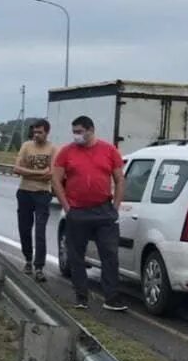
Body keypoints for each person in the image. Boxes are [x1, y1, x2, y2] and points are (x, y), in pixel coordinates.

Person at [52, 115, 127, 312]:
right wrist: (67, 207)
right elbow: (56, 179)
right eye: (74, 132)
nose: (76, 136)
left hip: (103, 210)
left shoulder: (109, 150)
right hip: (78, 211)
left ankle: (111, 297)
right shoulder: (66, 152)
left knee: (110, 254)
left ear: (91, 130)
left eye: (79, 132)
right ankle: (81, 297)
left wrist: (115, 207)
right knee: (76, 256)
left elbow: (119, 179)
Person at [13, 119, 57, 280]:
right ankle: (28, 259)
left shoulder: (52, 149)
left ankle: (39, 266)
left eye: (40, 132)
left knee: (40, 231)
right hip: (24, 192)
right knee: (24, 228)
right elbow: (16, 169)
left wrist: (28, 172)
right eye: (35, 132)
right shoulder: (26, 146)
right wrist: (39, 173)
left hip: (42, 194)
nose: (36, 135)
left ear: (47, 132)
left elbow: (51, 173)